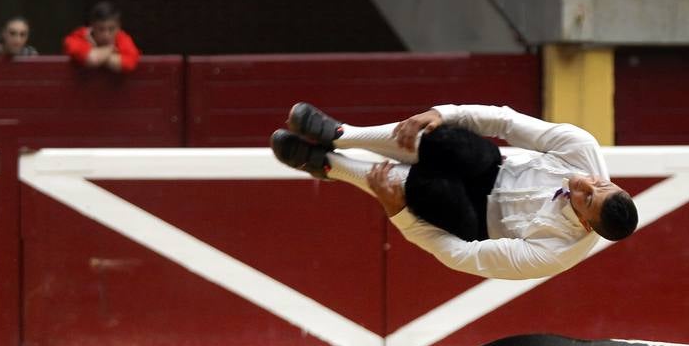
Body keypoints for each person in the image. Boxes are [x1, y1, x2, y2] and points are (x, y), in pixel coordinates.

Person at [270, 103, 639, 280]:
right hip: (489, 166)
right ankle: (343, 135)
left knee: (432, 191)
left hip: (475, 220)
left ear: (587, 226)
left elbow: (460, 255)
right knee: (451, 141)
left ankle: (331, 166)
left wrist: (398, 213)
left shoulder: (557, 253)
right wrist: (441, 113)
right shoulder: (583, 149)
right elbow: (505, 121)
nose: (585, 183)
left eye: (587, 199)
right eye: (602, 184)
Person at [62, 1, 140, 73]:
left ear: (119, 27)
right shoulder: (76, 38)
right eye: (101, 29)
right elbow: (93, 59)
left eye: (111, 29)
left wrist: (100, 55)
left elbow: (129, 63)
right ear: (92, 26)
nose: (106, 34)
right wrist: (110, 49)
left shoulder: (122, 38)